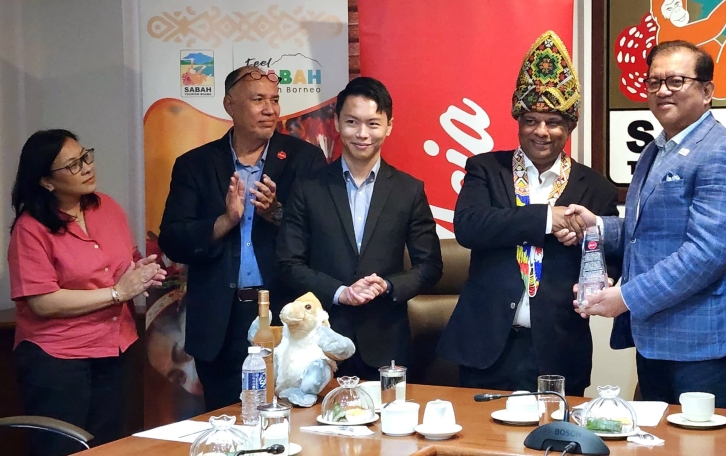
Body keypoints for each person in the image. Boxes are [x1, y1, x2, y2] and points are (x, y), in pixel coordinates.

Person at [562, 40, 726, 408]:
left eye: (675, 81)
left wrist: (625, 298)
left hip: (707, 347)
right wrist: (599, 227)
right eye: (654, 82)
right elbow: (649, 234)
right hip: (656, 339)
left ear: (707, 91)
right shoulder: (655, 150)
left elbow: (706, 254)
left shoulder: (724, 151)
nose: (662, 91)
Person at [435, 31, 620, 396]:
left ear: (570, 127)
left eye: (553, 122)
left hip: (558, 348)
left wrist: (591, 254)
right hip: (486, 345)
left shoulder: (595, 187)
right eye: (531, 120)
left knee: (552, 446)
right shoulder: (487, 168)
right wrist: (547, 219)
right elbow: (469, 227)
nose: (541, 131)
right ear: (518, 121)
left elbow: (610, 256)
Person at [158, 65, 326, 411]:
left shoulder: (303, 159)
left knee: (289, 419)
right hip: (222, 320)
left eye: (275, 100)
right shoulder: (196, 165)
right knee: (227, 420)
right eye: (258, 100)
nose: (271, 109)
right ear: (229, 105)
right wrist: (225, 221)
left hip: (284, 313)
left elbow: (323, 236)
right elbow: (172, 239)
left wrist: (276, 213)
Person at [7, 129, 166, 455]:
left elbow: (124, 261)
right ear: (46, 181)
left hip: (115, 349)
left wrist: (143, 271)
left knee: (107, 446)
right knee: (62, 447)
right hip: (59, 359)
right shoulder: (30, 228)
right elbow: (42, 301)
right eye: (73, 165)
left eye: (85, 156)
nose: (87, 167)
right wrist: (117, 294)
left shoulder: (106, 207)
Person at [276, 76, 443, 380]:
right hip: (318, 344)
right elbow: (288, 263)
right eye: (352, 122)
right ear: (337, 123)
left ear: (389, 125)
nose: (362, 134)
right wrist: (341, 292)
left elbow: (430, 266)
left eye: (373, 124)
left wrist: (389, 286)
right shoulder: (308, 188)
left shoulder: (408, 190)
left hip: (387, 344)